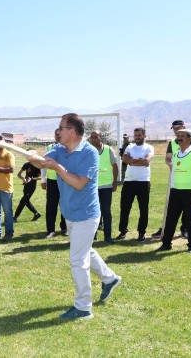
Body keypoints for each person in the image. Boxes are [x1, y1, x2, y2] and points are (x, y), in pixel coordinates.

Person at [28, 113, 121, 320]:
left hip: (86, 214)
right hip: (70, 212)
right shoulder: (60, 150)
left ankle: (83, 307)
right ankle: (110, 278)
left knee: (78, 260)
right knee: (85, 251)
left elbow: (79, 183)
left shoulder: (89, 153)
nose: (58, 131)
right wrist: (31, 154)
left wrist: (57, 168)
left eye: (61, 128)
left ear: (73, 131)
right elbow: (43, 162)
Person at [156, 129, 191, 253]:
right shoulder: (176, 154)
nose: (179, 138)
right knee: (171, 218)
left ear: (190, 139)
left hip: (190, 192)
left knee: (190, 219)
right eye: (178, 136)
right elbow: (174, 172)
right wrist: (172, 187)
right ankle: (166, 243)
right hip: (176, 191)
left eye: (182, 136)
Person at [116, 128, 154, 242]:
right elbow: (124, 159)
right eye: (135, 135)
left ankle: (141, 233)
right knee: (125, 207)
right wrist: (139, 160)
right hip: (129, 182)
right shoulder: (130, 147)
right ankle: (123, 231)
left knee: (143, 208)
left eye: (139, 135)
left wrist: (132, 161)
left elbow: (147, 161)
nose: (137, 137)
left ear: (144, 136)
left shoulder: (149, 147)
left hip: (143, 182)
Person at [88, 130, 118, 243]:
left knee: (106, 211)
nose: (94, 139)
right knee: (92, 211)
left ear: (101, 137)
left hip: (106, 186)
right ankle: (93, 235)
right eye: (92, 137)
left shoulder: (108, 149)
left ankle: (108, 236)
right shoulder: (88, 150)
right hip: (92, 186)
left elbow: (114, 166)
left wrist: (115, 181)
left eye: (96, 136)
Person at [41, 129, 67, 238]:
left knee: (65, 205)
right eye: (56, 134)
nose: (58, 136)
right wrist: (43, 179)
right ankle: (50, 230)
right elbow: (43, 163)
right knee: (51, 205)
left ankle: (65, 228)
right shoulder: (49, 148)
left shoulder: (68, 147)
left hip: (65, 180)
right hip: (52, 181)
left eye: (60, 134)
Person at [13, 156, 42, 222]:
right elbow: (19, 174)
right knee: (26, 201)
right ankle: (36, 213)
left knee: (23, 201)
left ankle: (15, 217)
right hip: (26, 185)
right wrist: (23, 179)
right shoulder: (26, 164)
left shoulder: (38, 165)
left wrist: (32, 179)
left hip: (32, 186)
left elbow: (40, 177)